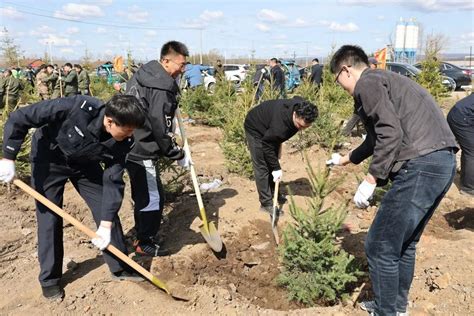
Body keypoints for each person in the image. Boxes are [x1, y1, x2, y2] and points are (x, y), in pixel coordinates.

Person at [327, 45, 457, 316]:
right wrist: (346, 159)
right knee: (403, 244)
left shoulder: (368, 83)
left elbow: (389, 132)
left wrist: (371, 178)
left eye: (337, 80)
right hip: (441, 162)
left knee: (379, 246)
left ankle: (388, 312)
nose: (340, 86)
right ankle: (395, 308)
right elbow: (375, 139)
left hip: (420, 165)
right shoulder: (386, 81)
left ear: (345, 70)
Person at [0, 94, 146, 300]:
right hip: (49, 159)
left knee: (106, 206)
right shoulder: (77, 107)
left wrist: (104, 226)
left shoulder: (124, 141)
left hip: (85, 164)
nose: (131, 134)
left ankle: (120, 266)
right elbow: (21, 117)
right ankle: (49, 279)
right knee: (49, 216)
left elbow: (113, 179)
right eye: (128, 129)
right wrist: (8, 157)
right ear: (110, 121)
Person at [125, 41, 191, 256]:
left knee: (143, 193)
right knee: (152, 197)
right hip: (142, 148)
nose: (183, 69)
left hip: (130, 142)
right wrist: (176, 153)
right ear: (165, 61)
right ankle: (145, 242)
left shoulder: (145, 74)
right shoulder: (162, 87)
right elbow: (159, 124)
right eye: (180, 65)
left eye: (185, 65)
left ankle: (142, 233)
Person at [244, 96, 318, 213]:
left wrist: (277, 149)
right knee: (262, 167)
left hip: (270, 129)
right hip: (255, 128)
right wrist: (276, 168)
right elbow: (267, 144)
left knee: (271, 162)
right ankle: (266, 203)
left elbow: (296, 97)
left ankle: (274, 192)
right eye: (300, 126)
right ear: (295, 114)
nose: (302, 129)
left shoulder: (300, 105)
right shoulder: (280, 126)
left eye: (306, 127)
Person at [447, 93, 474, 196]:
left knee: (469, 149)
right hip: (462, 117)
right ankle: (468, 188)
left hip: (460, 113)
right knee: (472, 151)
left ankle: (466, 176)